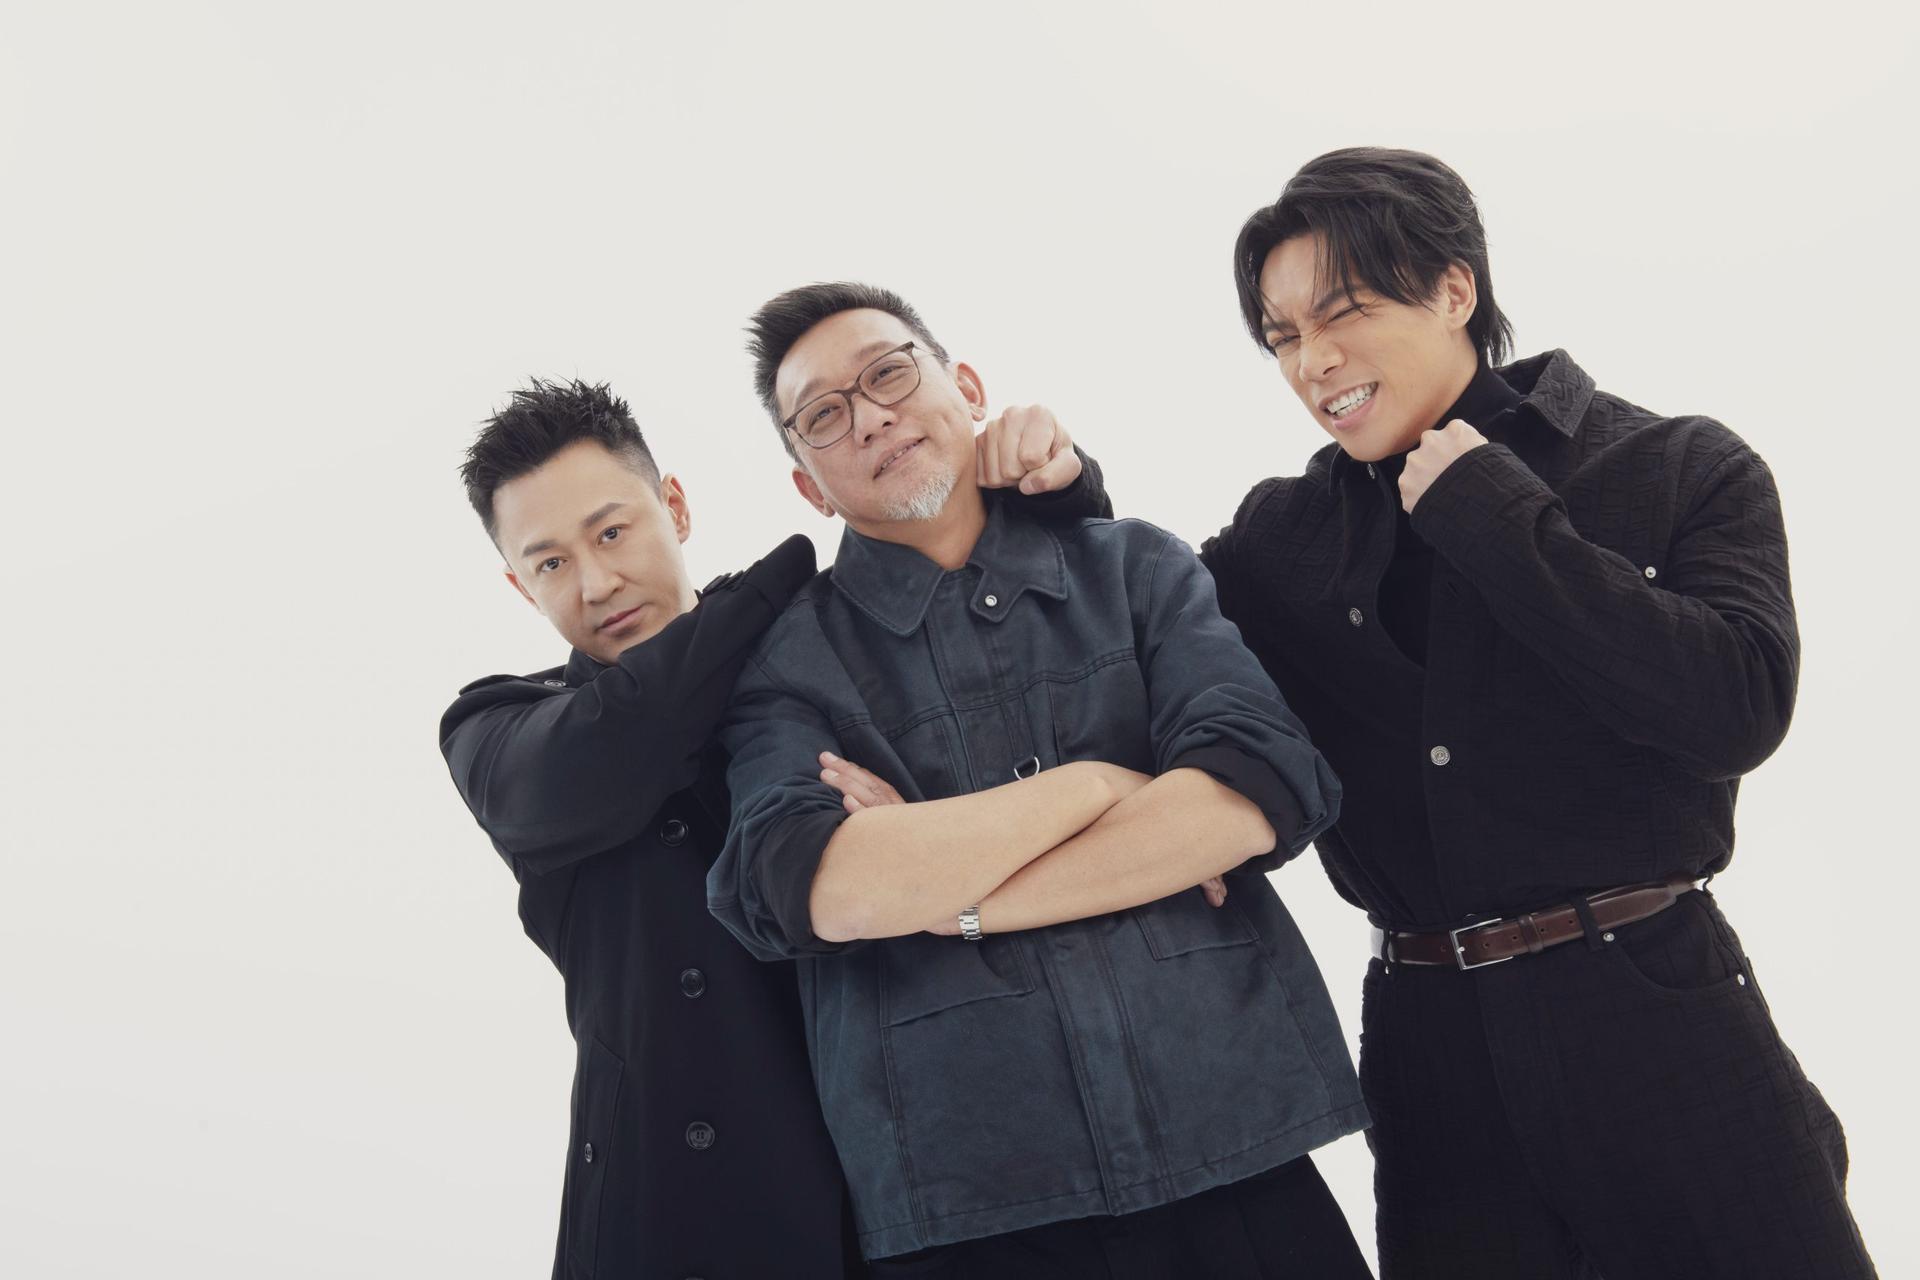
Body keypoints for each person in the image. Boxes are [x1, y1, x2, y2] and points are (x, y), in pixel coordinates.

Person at [1203, 146, 1877, 1278]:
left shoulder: (1679, 464)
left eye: (1344, 312)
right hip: (1429, 1052)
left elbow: (1737, 707)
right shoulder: (1280, 540)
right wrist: (1063, 494)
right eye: (1282, 337)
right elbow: (1145, 649)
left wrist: (1493, 513)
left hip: (1661, 1019)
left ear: (1453, 288)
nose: (1313, 362)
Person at [707, 283, 1373, 1278]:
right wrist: (1102, 786)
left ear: (968, 388)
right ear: (810, 487)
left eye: (888, 374)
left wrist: (953, 898)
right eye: (825, 416)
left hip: (1233, 1138)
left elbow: (1250, 792)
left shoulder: (1133, 568)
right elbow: (823, 886)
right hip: (975, 1201)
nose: (871, 417)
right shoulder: (785, 664)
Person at [437, 378, 1108, 1278]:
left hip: (910, 1180)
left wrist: (1062, 493)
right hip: (671, 1212)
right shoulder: (500, 727)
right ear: (520, 588)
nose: (596, 583)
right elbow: (621, 740)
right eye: (550, 564)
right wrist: (789, 573)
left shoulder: (812, 660)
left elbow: (1028, 661)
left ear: (675, 507)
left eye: (611, 532)